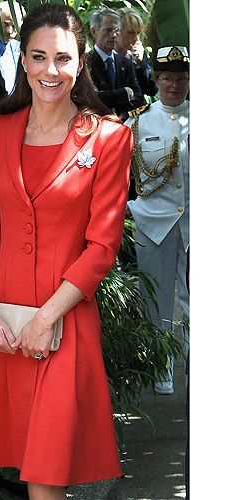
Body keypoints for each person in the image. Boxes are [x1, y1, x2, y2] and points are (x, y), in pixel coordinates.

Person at [0, 4, 133, 498]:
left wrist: (45, 319)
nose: (49, 71)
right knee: (27, 472)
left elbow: (102, 246)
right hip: (4, 326)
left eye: (62, 58)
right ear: (24, 62)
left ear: (80, 63)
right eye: (38, 57)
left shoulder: (108, 137)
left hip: (65, 323)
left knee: (48, 476)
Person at [125, 46, 190, 395]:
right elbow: (117, 173)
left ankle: (198, 367)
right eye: (167, 78)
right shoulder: (137, 121)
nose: (174, 86)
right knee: (157, 302)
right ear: (157, 79)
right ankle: (160, 369)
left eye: (181, 79)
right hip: (153, 223)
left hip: (195, 224)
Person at [86, 8, 144, 121]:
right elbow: (91, 99)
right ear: (94, 31)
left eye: (117, 30)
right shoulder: (85, 62)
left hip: (124, 124)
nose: (113, 35)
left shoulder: (125, 62)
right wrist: (124, 93)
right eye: (108, 30)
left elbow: (138, 98)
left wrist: (120, 114)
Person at [117, 8, 158, 97]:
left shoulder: (138, 53)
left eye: (138, 33)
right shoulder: (105, 54)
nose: (136, 38)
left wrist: (140, 64)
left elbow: (152, 90)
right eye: (130, 33)